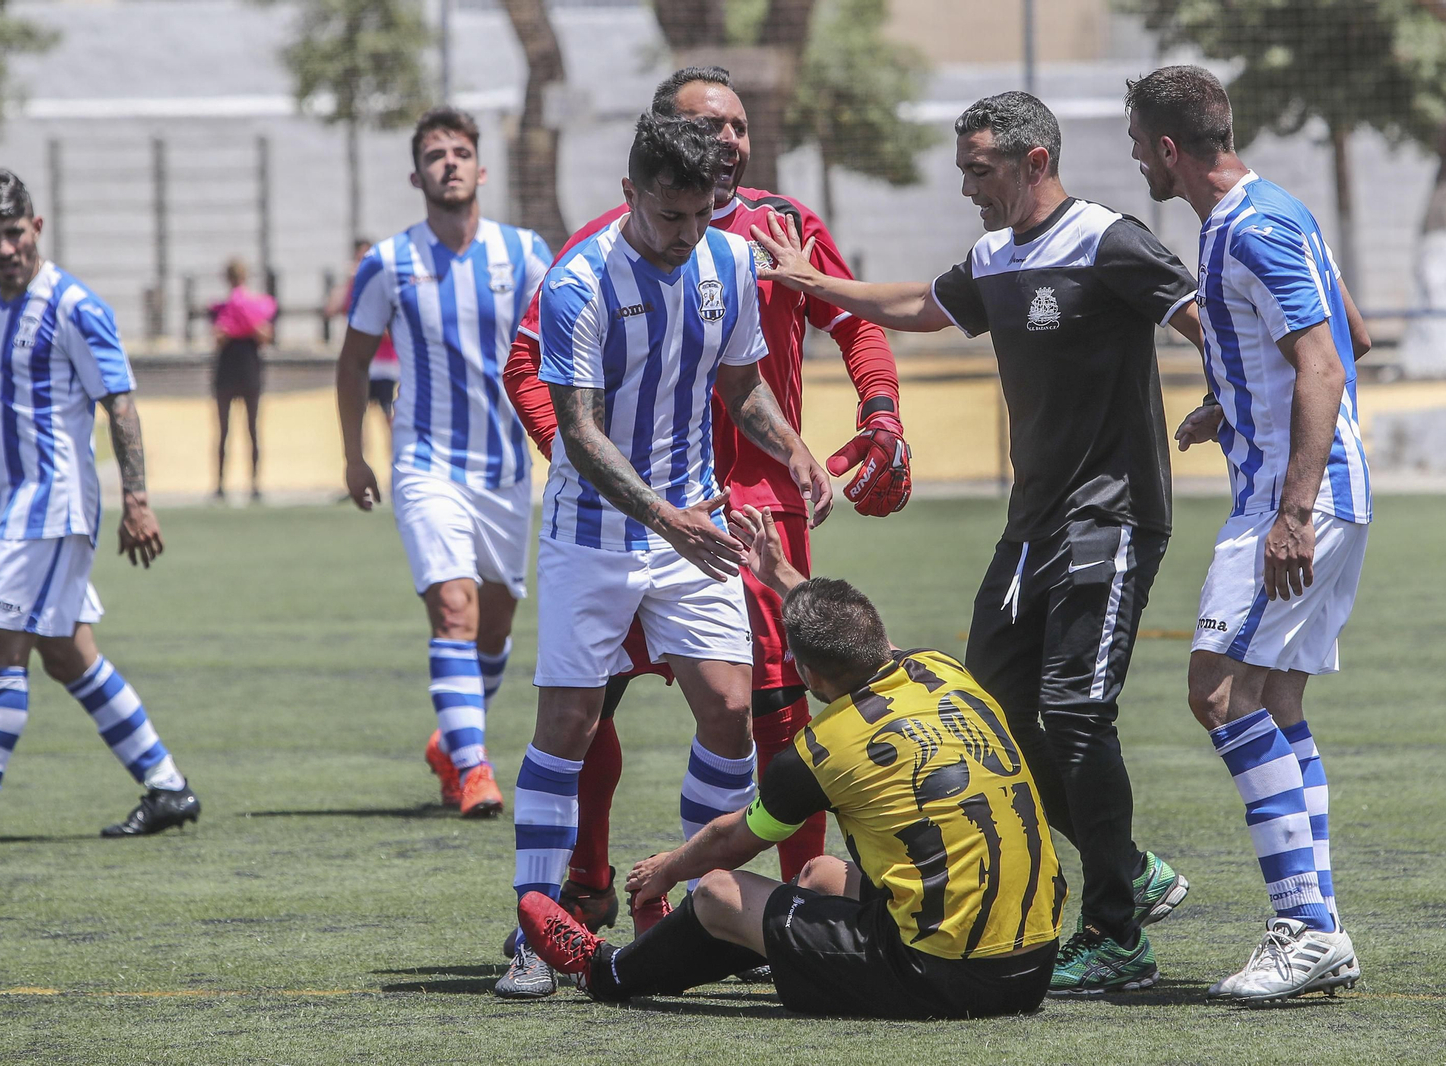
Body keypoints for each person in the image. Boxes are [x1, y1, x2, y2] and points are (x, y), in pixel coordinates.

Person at [752, 91, 1204, 994]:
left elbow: (1204, 319)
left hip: (1110, 516)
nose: (968, 186)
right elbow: (924, 302)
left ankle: (1117, 932)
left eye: (979, 168)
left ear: (1036, 162)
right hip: (1032, 521)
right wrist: (813, 284)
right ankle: (1130, 867)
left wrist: (1230, 394)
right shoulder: (997, 257)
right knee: (992, 710)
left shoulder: (1110, 240)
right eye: (963, 168)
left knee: (1076, 713)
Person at [501, 65, 904, 937]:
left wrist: (804, 449)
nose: (688, 232)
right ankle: (546, 914)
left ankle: (699, 910)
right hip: (604, 527)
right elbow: (563, 414)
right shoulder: (582, 274)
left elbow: (752, 378)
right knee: (574, 719)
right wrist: (644, 505)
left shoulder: (749, 246)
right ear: (639, 182)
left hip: (715, 522)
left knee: (745, 708)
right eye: (669, 214)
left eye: (737, 126)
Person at [515, 504, 1063, 1019]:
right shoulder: (943, 670)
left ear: (808, 676)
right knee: (820, 875)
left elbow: (733, 844)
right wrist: (779, 572)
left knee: (716, 893)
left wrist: (669, 869)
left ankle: (604, 970)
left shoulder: (825, 746)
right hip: (1033, 967)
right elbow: (852, 637)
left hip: (937, 977)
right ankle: (764, 949)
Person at [1125, 65, 1370, 1003]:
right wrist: (1231, 402)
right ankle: (1323, 930)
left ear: (1170, 148)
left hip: (1293, 498)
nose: (1138, 159)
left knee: (1218, 695)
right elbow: (1353, 331)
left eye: (1140, 145)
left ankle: (1303, 926)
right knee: (1276, 703)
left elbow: (1322, 366)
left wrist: (1293, 510)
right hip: (1323, 482)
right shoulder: (1284, 208)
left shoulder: (1247, 228)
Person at [0, 169, 199, 846]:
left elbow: (119, 403)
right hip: (17, 508)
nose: (6, 248)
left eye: (15, 232)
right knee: (66, 654)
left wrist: (137, 499)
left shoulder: (75, 305)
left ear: (38, 227)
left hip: (53, 507)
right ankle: (168, 787)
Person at [336, 108, 552, 819]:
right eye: (436, 155)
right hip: (425, 464)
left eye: (461, 152)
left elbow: (564, 349)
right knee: (453, 610)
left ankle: (448, 744)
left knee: (495, 629)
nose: (450, 163)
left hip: (505, 470)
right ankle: (475, 770)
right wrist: (355, 457)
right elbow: (354, 361)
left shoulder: (524, 254)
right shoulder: (389, 262)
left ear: (481, 169)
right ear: (417, 174)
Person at [210, 258, 276, 500]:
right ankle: (219, 484)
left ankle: (255, 484)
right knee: (223, 430)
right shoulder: (220, 308)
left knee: (252, 429)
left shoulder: (256, 306)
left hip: (249, 369)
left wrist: (246, 319)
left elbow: (265, 336)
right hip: (228, 370)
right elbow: (217, 338)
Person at [325, 237, 402, 422]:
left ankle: (391, 451)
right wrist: (349, 281)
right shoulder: (352, 286)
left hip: (384, 362)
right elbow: (330, 309)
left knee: (388, 412)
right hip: (359, 361)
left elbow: (390, 328)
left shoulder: (385, 284)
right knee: (357, 415)